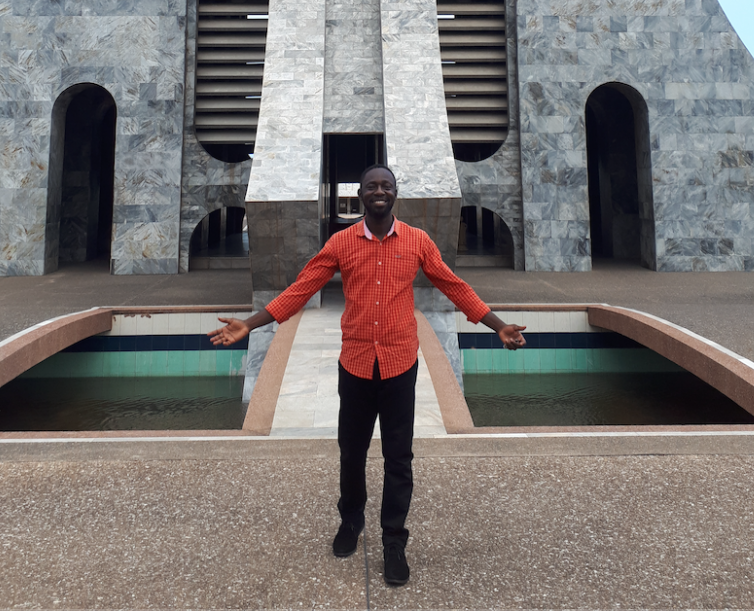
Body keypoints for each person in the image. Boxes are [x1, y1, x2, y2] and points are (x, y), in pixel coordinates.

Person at [209, 165, 526, 587]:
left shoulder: (417, 241)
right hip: (356, 364)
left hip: (398, 365)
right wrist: (251, 323)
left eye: (387, 186)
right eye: (372, 186)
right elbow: (301, 289)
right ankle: (351, 521)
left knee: (399, 457)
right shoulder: (341, 242)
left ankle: (394, 540)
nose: (380, 191)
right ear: (360, 194)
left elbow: (453, 285)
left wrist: (497, 324)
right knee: (351, 452)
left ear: (395, 194)